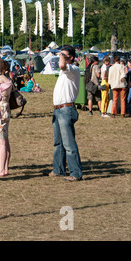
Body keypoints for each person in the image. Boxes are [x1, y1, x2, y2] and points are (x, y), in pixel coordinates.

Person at [50, 45, 82, 182]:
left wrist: (61, 56)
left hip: (66, 110)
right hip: (58, 109)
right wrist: (61, 55)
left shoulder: (73, 69)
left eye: (64, 55)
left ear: (71, 57)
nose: (60, 57)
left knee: (69, 144)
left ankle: (75, 173)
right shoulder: (64, 72)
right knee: (59, 143)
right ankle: (58, 170)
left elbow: (62, 65)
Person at [0, 58, 13, 177]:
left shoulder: (0, 80)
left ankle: (1, 169)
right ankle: (5, 167)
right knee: (5, 140)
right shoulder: (7, 79)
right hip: (6, 109)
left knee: (2, 142)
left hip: (0, 110)